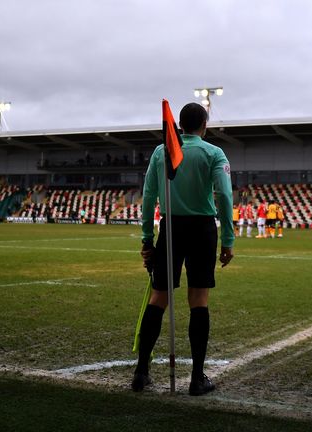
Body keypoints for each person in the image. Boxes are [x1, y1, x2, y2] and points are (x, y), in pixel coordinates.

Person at [134, 102, 234, 396]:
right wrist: (228, 239)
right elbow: (224, 196)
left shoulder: (160, 151)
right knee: (198, 300)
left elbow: (149, 194)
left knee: (158, 298)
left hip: (171, 228)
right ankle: (196, 379)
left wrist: (145, 238)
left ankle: (141, 372)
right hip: (202, 229)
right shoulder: (214, 153)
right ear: (204, 125)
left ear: (179, 124)